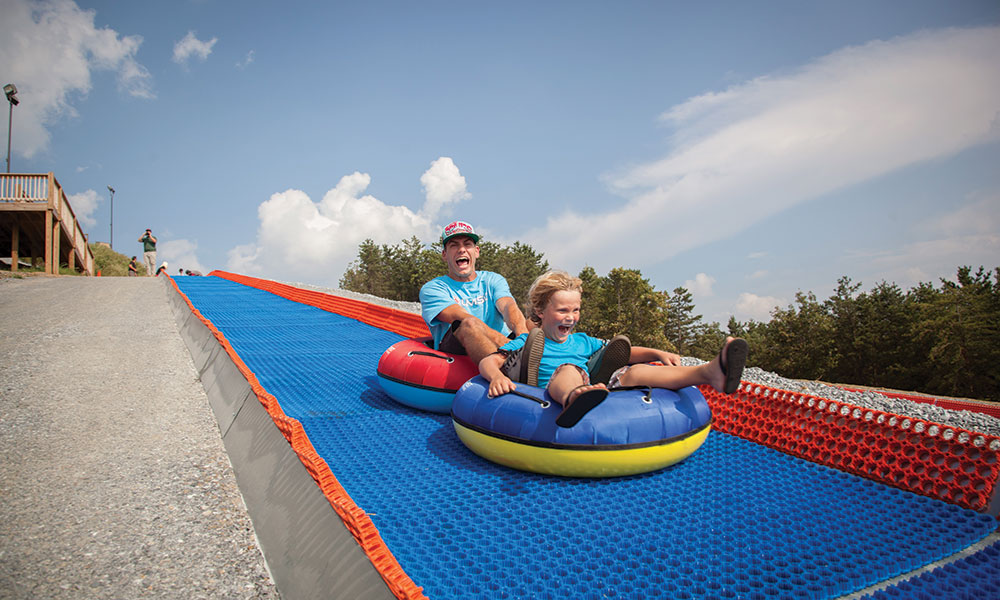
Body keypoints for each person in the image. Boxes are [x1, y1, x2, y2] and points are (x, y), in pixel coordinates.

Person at [479, 270, 750, 427]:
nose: (570, 317)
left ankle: (709, 372)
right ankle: (574, 399)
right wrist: (498, 377)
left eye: (575, 310)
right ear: (540, 310)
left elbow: (625, 353)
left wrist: (657, 353)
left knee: (632, 373)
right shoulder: (529, 340)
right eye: (562, 310)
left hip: (594, 385)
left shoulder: (583, 340)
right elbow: (489, 361)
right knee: (568, 369)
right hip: (552, 388)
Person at [419, 221, 530, 366]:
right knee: (468, 324)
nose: (461, 250)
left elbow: (508, 306)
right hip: (458, 350)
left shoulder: (492, 279)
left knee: (537, 320)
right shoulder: (433, 288)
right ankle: (509, 368)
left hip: (507, 347)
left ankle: (550, 362)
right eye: (454, 245)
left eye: (467, 244)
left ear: (476, 251)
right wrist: (510, 347)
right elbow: (461, 317)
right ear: (445, 255)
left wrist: (523, 336)